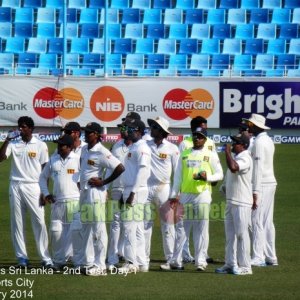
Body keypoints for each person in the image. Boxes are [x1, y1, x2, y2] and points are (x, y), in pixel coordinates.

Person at [161, 127, 223, 271]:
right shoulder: (185, 154)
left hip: (203, 194)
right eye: (195, 136)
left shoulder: (210, 155)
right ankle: (176, 261)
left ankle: (200, 261)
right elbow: (178, 177)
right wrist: (173, 195)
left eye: (200, 136)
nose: (197, 138)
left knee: (201, 228)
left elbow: (220, 174)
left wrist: (207, 177)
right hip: (185, 195)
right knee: (181, 228)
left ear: (205, 139)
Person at [0, 116, 53, 268]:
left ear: (31, 128)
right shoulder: (14, 143)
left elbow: (45, 170)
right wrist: (8, 139)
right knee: (17, 223)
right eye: (19, 126)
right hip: (15, 185)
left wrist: (44, 191)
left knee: (39, 222)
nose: (20, 129)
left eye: (23, 127)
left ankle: (46, 258)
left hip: (34, 186)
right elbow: (1, 157)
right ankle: (22, 259)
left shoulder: (40, 145)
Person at [79, 122, 125, 276]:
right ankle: (89, 262)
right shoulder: (84, 149)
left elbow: (120, 167)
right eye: (86, 131)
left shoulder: (102, 151)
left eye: (90, 132)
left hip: (95, 193)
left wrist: (103, 182)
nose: (86, 134)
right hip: (84, 193)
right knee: (85, 228)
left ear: (97, 135)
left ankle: (100, 266)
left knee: (99, 228)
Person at [39, 135, 80, 270]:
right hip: (57, 202)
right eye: (58, 145)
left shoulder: (78, 159)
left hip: (75, 201)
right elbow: (42, 178)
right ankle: (58, 262)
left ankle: (77, 261)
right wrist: (46, 194)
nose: (58, 148)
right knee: (56, 231)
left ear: (69, 147)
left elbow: (85, 180)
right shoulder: (53, 160)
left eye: (61, 146)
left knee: (75, 232)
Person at [178, 116, 216, 264]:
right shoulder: (184, 144)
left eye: (205, 127)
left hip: (204, 190)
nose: (205, 130)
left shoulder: (210, 143)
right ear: (193, 129)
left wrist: (212, 180)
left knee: (202, 225)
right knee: (185, 225)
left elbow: (213, 165)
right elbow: (180, 168)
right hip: (187, 189)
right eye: (202, 127)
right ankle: (186, 254)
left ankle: (203, 255)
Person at [216, 133, 253, 275]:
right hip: (231, 201)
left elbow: (233, 168)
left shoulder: (246, 158)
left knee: (241, 234)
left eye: (236, 142)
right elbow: (231, 174)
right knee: (230, 235)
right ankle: (230, 263)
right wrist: (225, 186)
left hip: (242, 202)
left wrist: (226, 152)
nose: (232, 145)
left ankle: (246, 267)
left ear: (243, 145)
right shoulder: (237, 156)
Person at [145, 116, 179, 268]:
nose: (151, 129)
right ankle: (143, 259)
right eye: (151, 126)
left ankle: (171, 259)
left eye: (154, 127)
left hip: (164, 188)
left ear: (162, 131)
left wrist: (175, 193)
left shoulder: (172, 148)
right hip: (146, 188)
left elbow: (178, 173)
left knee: (167, 225)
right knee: (145, 224)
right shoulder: (145, 145)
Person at [244, 114, 278, 267]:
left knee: (256, 220)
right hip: (270, 182)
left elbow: (257, 169)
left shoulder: (258, 142)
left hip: (262, 184)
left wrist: (255, 191)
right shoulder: (268, 140)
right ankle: (271, 256)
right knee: (267, 222)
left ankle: (258, 257)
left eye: (250, 124)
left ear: (257, 126)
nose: (248, 126)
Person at [118, 118, 151, 273]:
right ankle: (142, 262)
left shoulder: (142, 148)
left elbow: (143, 171)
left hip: (135, 190)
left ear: (138, 131)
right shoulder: (135, 146)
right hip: (132, 189)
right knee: (137, 228)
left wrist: (132, 192)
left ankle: (131, 263)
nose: (128, 132)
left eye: (131, 130)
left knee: (128, 227)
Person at [106, 114, 139, 270]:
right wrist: (106, 187)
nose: (122, 131)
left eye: (125, 128)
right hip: (116, 190)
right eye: (121, 128)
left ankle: (129, 256)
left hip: (131, 189)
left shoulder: (139, 146)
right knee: (115, 224)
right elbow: (109, 168)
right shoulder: (116, 146)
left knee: (130, 226)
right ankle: (112, 258)